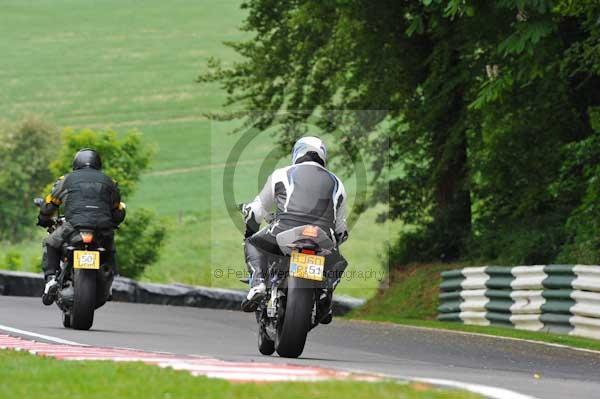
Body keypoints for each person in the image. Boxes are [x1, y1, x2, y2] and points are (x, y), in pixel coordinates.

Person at [240, 136, 349, 323]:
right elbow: (341, 231)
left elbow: (255, 212)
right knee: (338, 261)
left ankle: (258, 284)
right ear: (323, 156)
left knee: (253, 244)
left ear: (298, 152)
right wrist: (334, 243)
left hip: (284, 229)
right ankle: (325, 291)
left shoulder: (282, 174)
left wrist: (250, 231)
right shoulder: (337, 183)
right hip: (322, 237)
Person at [37, 149, 126, 305]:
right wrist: (114, 221)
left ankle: (51, 280)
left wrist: (44, 219)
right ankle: (110, 281)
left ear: (76, 163)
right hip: (101, 229)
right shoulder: (110, 182)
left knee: (50, 243)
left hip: (73, 226)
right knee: (110, 248)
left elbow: (49, 205)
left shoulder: (66, 179)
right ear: (98, 164)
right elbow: (118, 212)